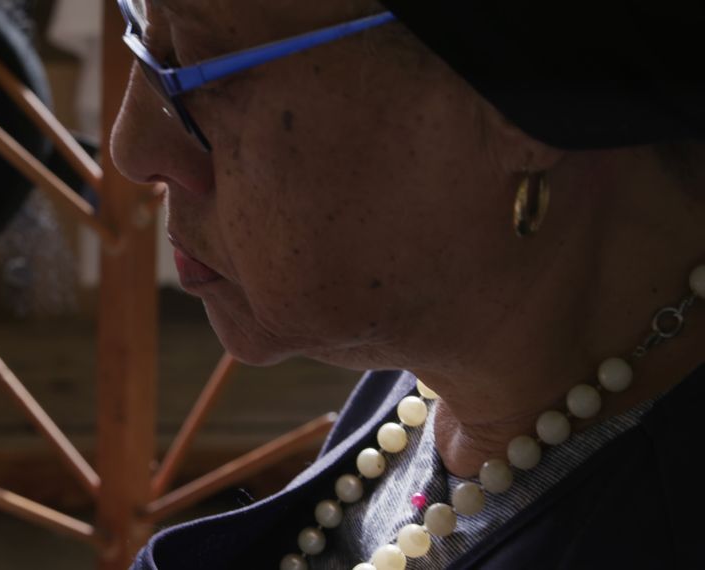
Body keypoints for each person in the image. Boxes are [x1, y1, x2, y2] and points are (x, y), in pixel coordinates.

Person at [109, 0, 705, 568]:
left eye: (199, 60)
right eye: (137, 17)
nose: (133, 147)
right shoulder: (446, 348)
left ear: (538, 87)